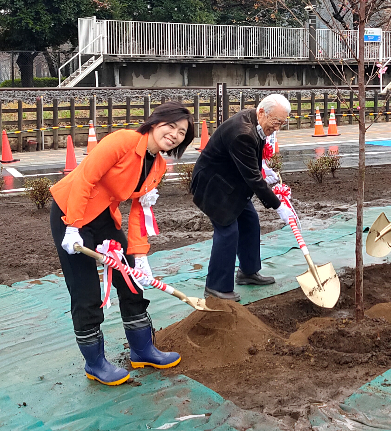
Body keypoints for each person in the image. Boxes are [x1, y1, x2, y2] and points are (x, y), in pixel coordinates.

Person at [50, 102, 195, 385]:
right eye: (171, 126)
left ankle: (142, 349)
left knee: (132, 280)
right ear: (155, 122)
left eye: (181, 133)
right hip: (71, 211)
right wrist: (73, 226)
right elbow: (85, 179)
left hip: (104, 216)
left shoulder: (158, 165)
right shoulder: (123, 141)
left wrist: (139, 256)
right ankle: (95, 364)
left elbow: (140, 210)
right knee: (86, 292)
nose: (175, 134)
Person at [191, 94, 295, 302]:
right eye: (276, 122)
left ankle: (248, 272)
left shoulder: (254, 120)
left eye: (282, 123)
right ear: (262, 112)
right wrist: (278, 205)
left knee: (250, 221)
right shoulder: (242, 132)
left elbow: (251, 160)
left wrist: (264, 167)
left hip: (232, 181)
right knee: (228, 230)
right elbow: (253, 179)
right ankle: (216, 286)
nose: (277, 128)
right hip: (214, 186)